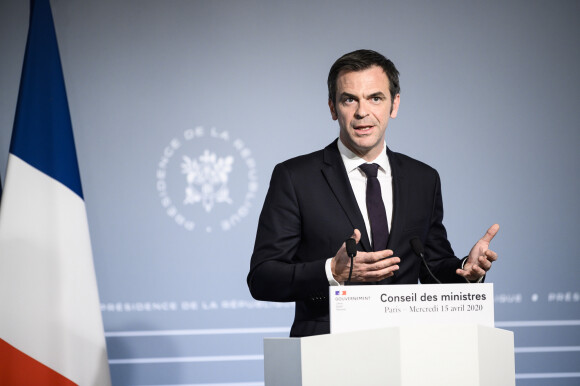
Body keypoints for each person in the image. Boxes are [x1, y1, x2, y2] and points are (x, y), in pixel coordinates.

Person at [247, 49, 499, 337]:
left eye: (375, 98)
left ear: (395, 104)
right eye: (349, 99)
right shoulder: (295, 177)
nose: (362, 112)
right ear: (333, 108)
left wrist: (467, 270)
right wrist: (333, 271)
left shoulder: (423, 179)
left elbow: (432, 269)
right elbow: (263, 278)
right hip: (327, 353)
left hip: (409, 351)